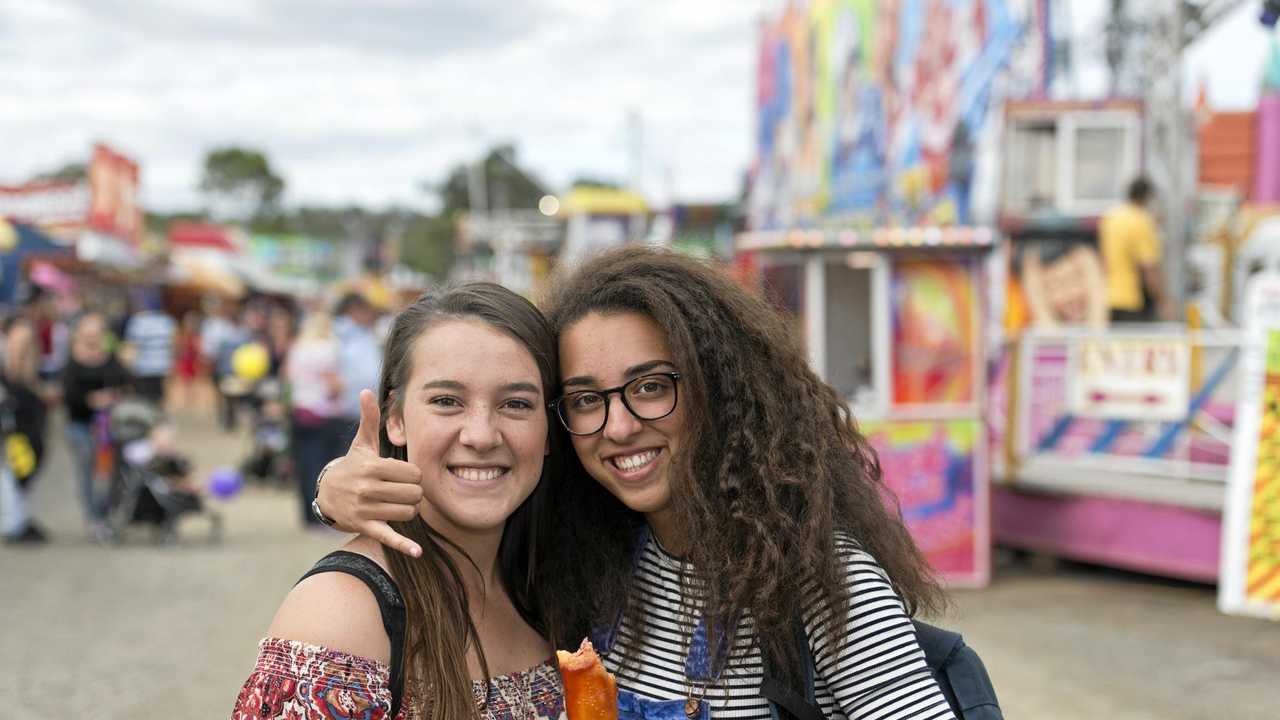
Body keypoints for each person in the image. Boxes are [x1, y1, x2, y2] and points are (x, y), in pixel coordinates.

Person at [318, 247, 956, 718]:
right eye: (587, 398)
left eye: (652, 387)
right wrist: (333, 490)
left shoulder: (818, 576)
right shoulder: (580, 557)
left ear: (721, 391)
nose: (619, 426)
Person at [231, 284, 567, 719]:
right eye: (447, 401)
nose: (482, 435)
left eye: (517, 404)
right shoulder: (343, 613)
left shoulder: (551, 577)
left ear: (549, 428)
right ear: (395, 420)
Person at [61, 312, 131, 542]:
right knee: (88, 469)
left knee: (114, 471)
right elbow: (68, 394)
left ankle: (104, 513)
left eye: (98, 331)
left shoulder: (110, 357)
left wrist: (113, 396)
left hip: (108, 425)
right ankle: (93, 519)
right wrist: (91, 399)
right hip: (80, 425)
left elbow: (126, 381)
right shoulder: (72, 360)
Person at [282, 311, 344, 528]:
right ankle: (322, 513)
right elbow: (334, 385)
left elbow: (289, 377)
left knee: (304, 465)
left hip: (300, 411)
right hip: (322, 413)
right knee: (322, 467)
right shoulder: (327, 349)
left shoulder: (298, 348)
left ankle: (307, 516)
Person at [1, 314, 51, 544]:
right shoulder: (18, 335)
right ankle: (13, 522)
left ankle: (15, 519)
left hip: (20, 408)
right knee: (15, 467)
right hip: (15, 411)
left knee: (19, 466)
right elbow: (16, 371)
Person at [1101, 177, 1171, 323]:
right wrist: (1163, 301)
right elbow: (1149, 267)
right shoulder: (1141, 221)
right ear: (1146, 197)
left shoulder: (1111, 218)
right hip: (1131, 300)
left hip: (1108, 297)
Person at [123, 291, 177, 406]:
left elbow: (132, 345)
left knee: (144, 398)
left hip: (144, 365)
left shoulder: (139, 320)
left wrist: (129, 364)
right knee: (157, 397)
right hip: (161, 364)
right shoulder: (167, 321)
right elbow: (173, 344)